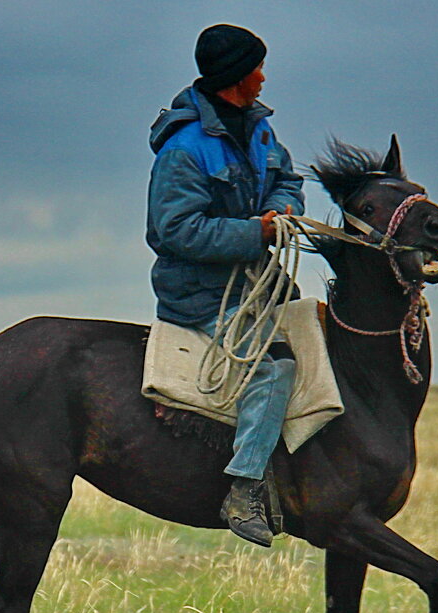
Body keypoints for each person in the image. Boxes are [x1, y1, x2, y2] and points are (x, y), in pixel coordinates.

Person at [146, 24, 306, 547]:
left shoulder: (260, 130)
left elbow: (288, 180)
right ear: (237, 76)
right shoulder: (185, 149)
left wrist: (283, 209)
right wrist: (253, 232)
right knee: (274, 369)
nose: (263, 77)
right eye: (256, 67)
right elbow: (172, 231)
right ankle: (243, 489)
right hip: (199, 292)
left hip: (257, 283)